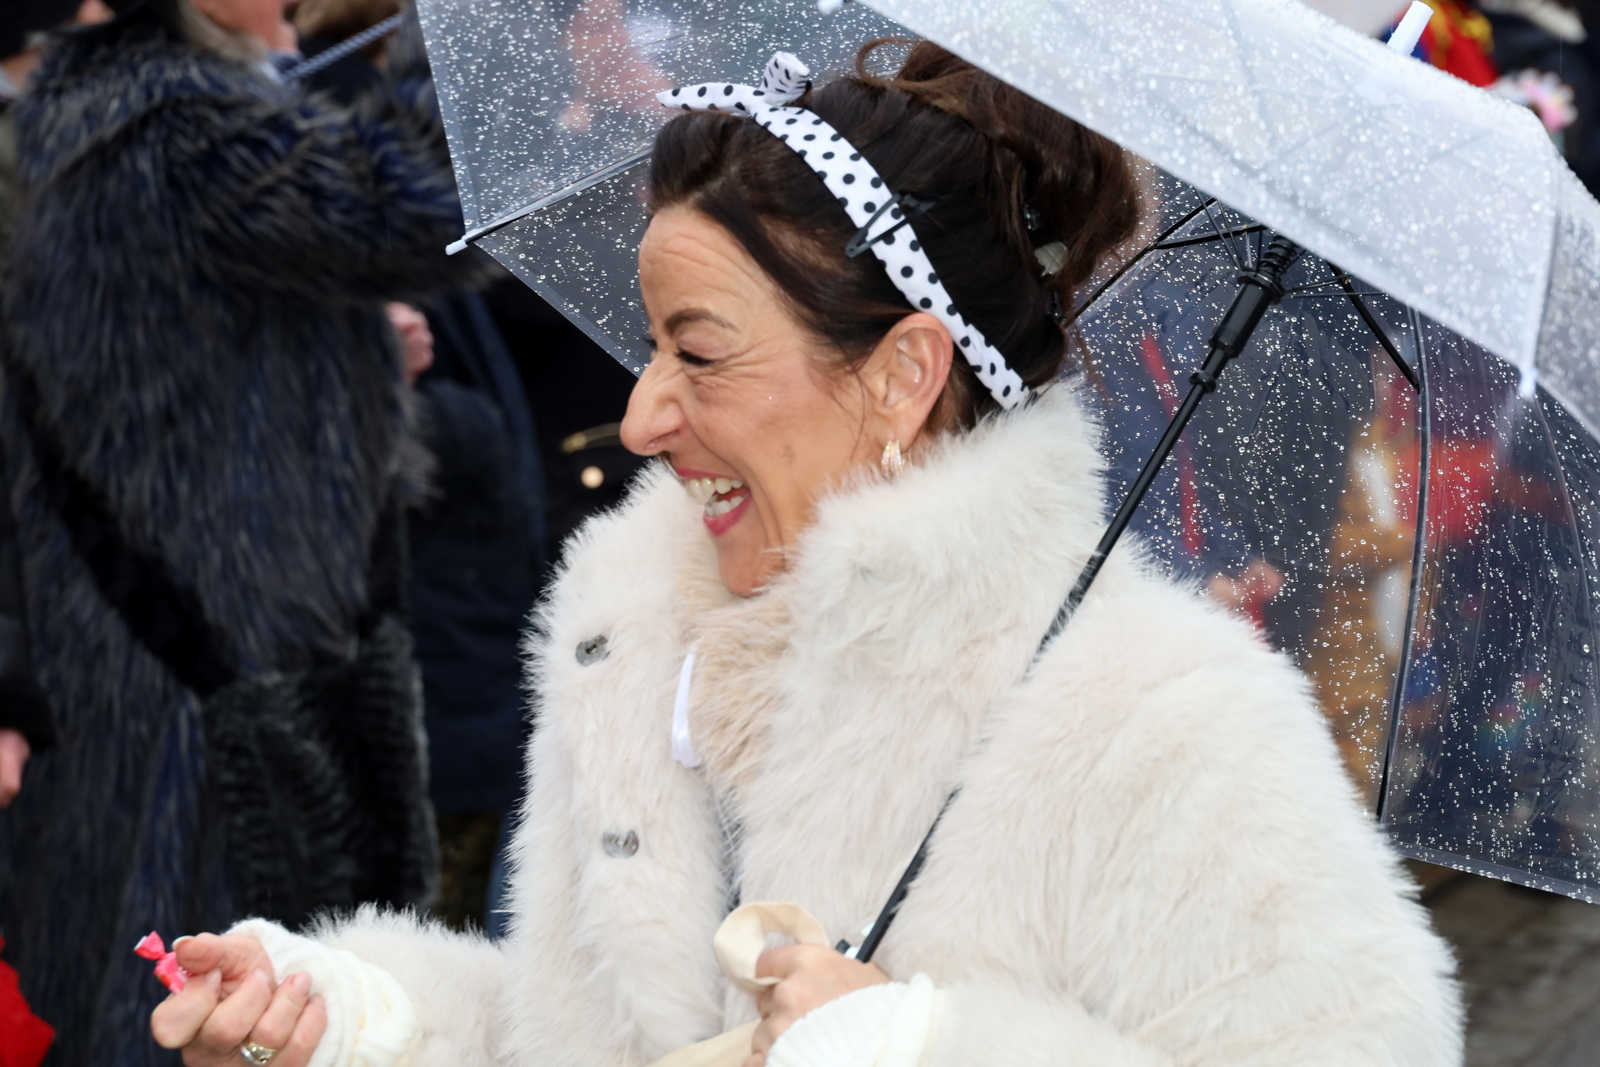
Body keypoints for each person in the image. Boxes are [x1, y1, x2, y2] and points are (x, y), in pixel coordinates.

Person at [152, 42, 1462, 1067]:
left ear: (900, 375)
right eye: (652, 345)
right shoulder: (630, 645)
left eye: (700, 350)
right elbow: (576, 1034)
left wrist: (921, 1043)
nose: (643, 416)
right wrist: (354, 1013)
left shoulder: (1162, 714)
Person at [0, 0, 478, 1061]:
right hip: (202, 672)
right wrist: (471, 47)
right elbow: (416, 201)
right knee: (226, 997)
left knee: (279, 997)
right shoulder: (170, 121)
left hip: (205, 647)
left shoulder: (138, 110)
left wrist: (350, 352)